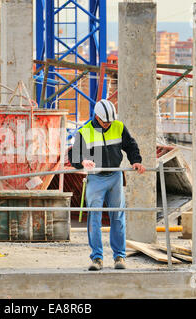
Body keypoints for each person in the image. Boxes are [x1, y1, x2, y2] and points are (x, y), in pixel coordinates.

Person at [68, 99, 145, 271]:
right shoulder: (85, 131)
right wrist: (82, 161)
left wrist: (136, 161)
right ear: (97, 117)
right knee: (94, 219)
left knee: (117, 217)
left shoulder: (118, 126)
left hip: (115, 176)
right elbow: (73, 156)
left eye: (110, 122)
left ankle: (119, 257)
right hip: (95, 178)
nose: (108, 125)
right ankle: (97, 258)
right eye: (105, 122)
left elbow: (131, 145)